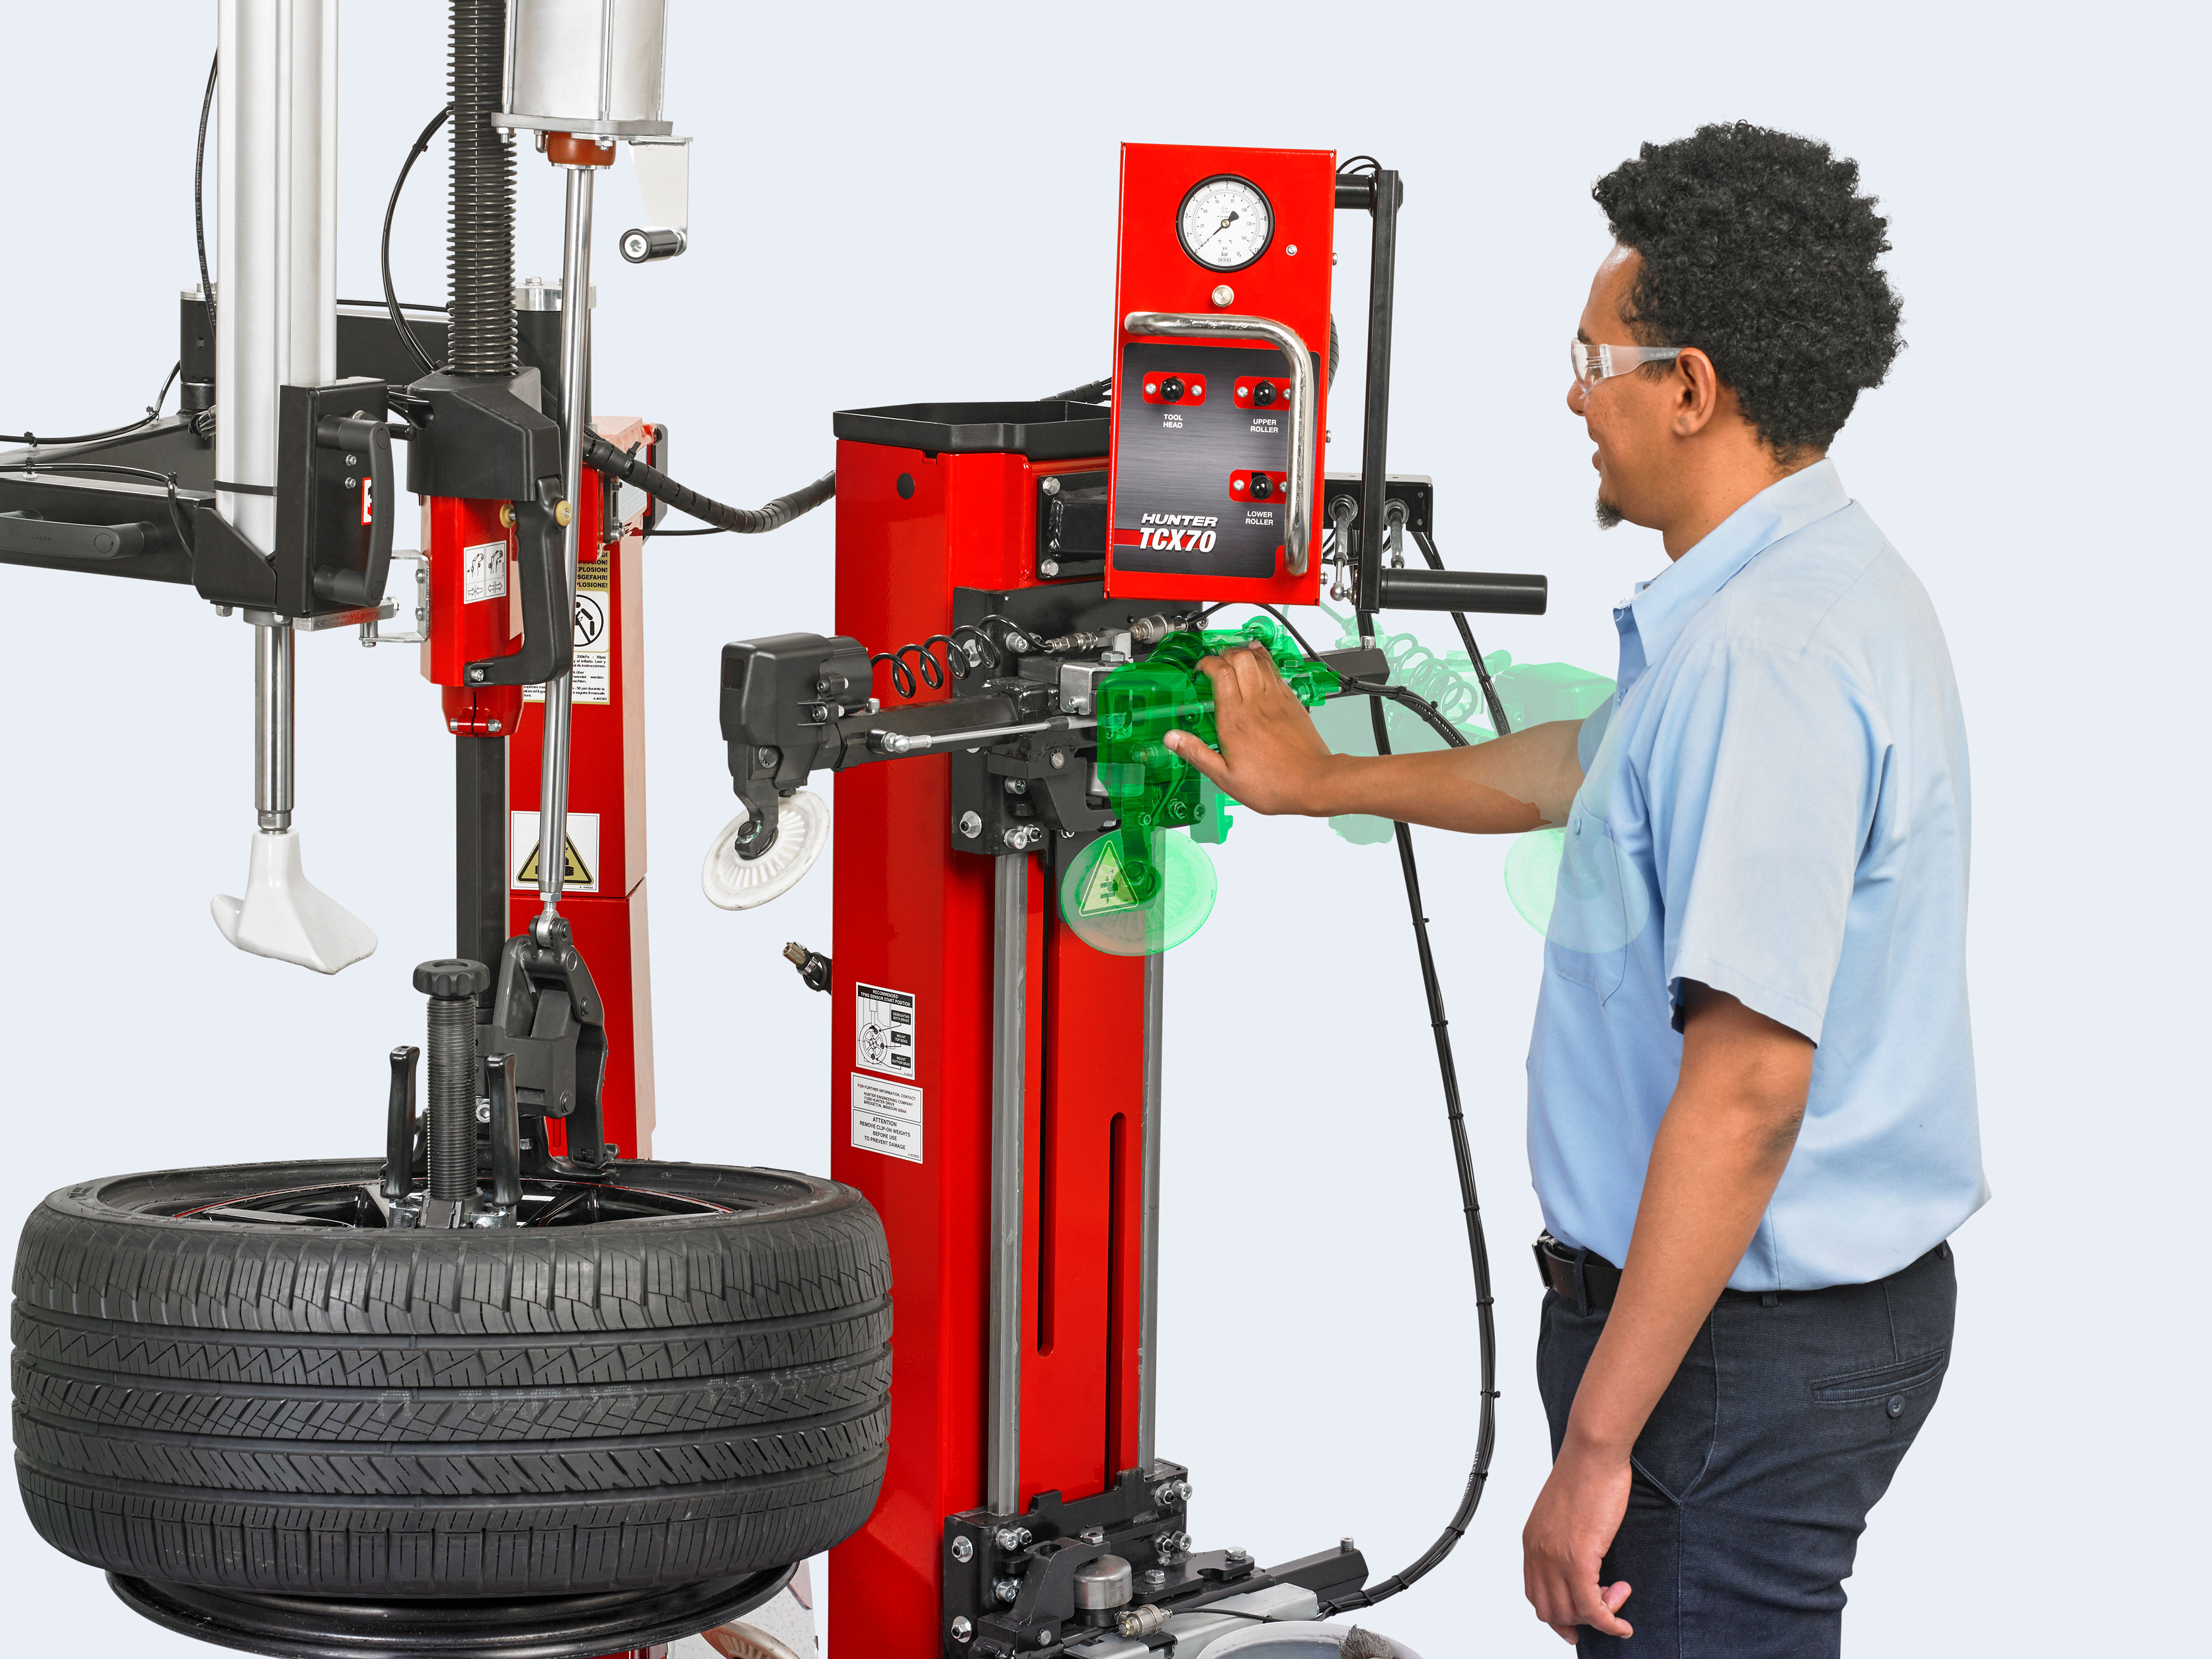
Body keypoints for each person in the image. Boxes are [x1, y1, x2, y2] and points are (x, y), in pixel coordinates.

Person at [1164, 122, 1984, 1655]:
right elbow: (1580, 770)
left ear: (1692, 387)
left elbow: (1749, 1091)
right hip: (1751, 1331)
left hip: (1733, 1353)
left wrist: (1599, 1447)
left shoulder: (1766, 660)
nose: (1573, 396)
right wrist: (1323, 781)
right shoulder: (1792, 589)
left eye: (1593, 359)